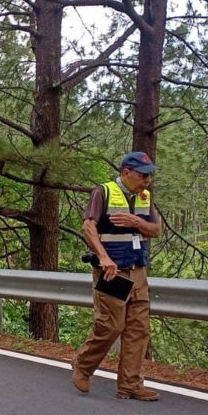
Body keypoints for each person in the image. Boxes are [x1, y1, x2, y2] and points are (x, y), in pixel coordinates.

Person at [72, 151, 164, 401]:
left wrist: (136, 221)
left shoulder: (144, 197)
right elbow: (88, 227)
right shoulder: (103, 192)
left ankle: (130, 385)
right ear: (126, 173)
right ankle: (82, 364)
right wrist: (103, 257)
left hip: (138, 271)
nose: (148, 180)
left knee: (138, 329)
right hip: (113, 273)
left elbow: (156, 230)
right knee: (112, 325)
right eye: (143, 175)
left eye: (150, 175)